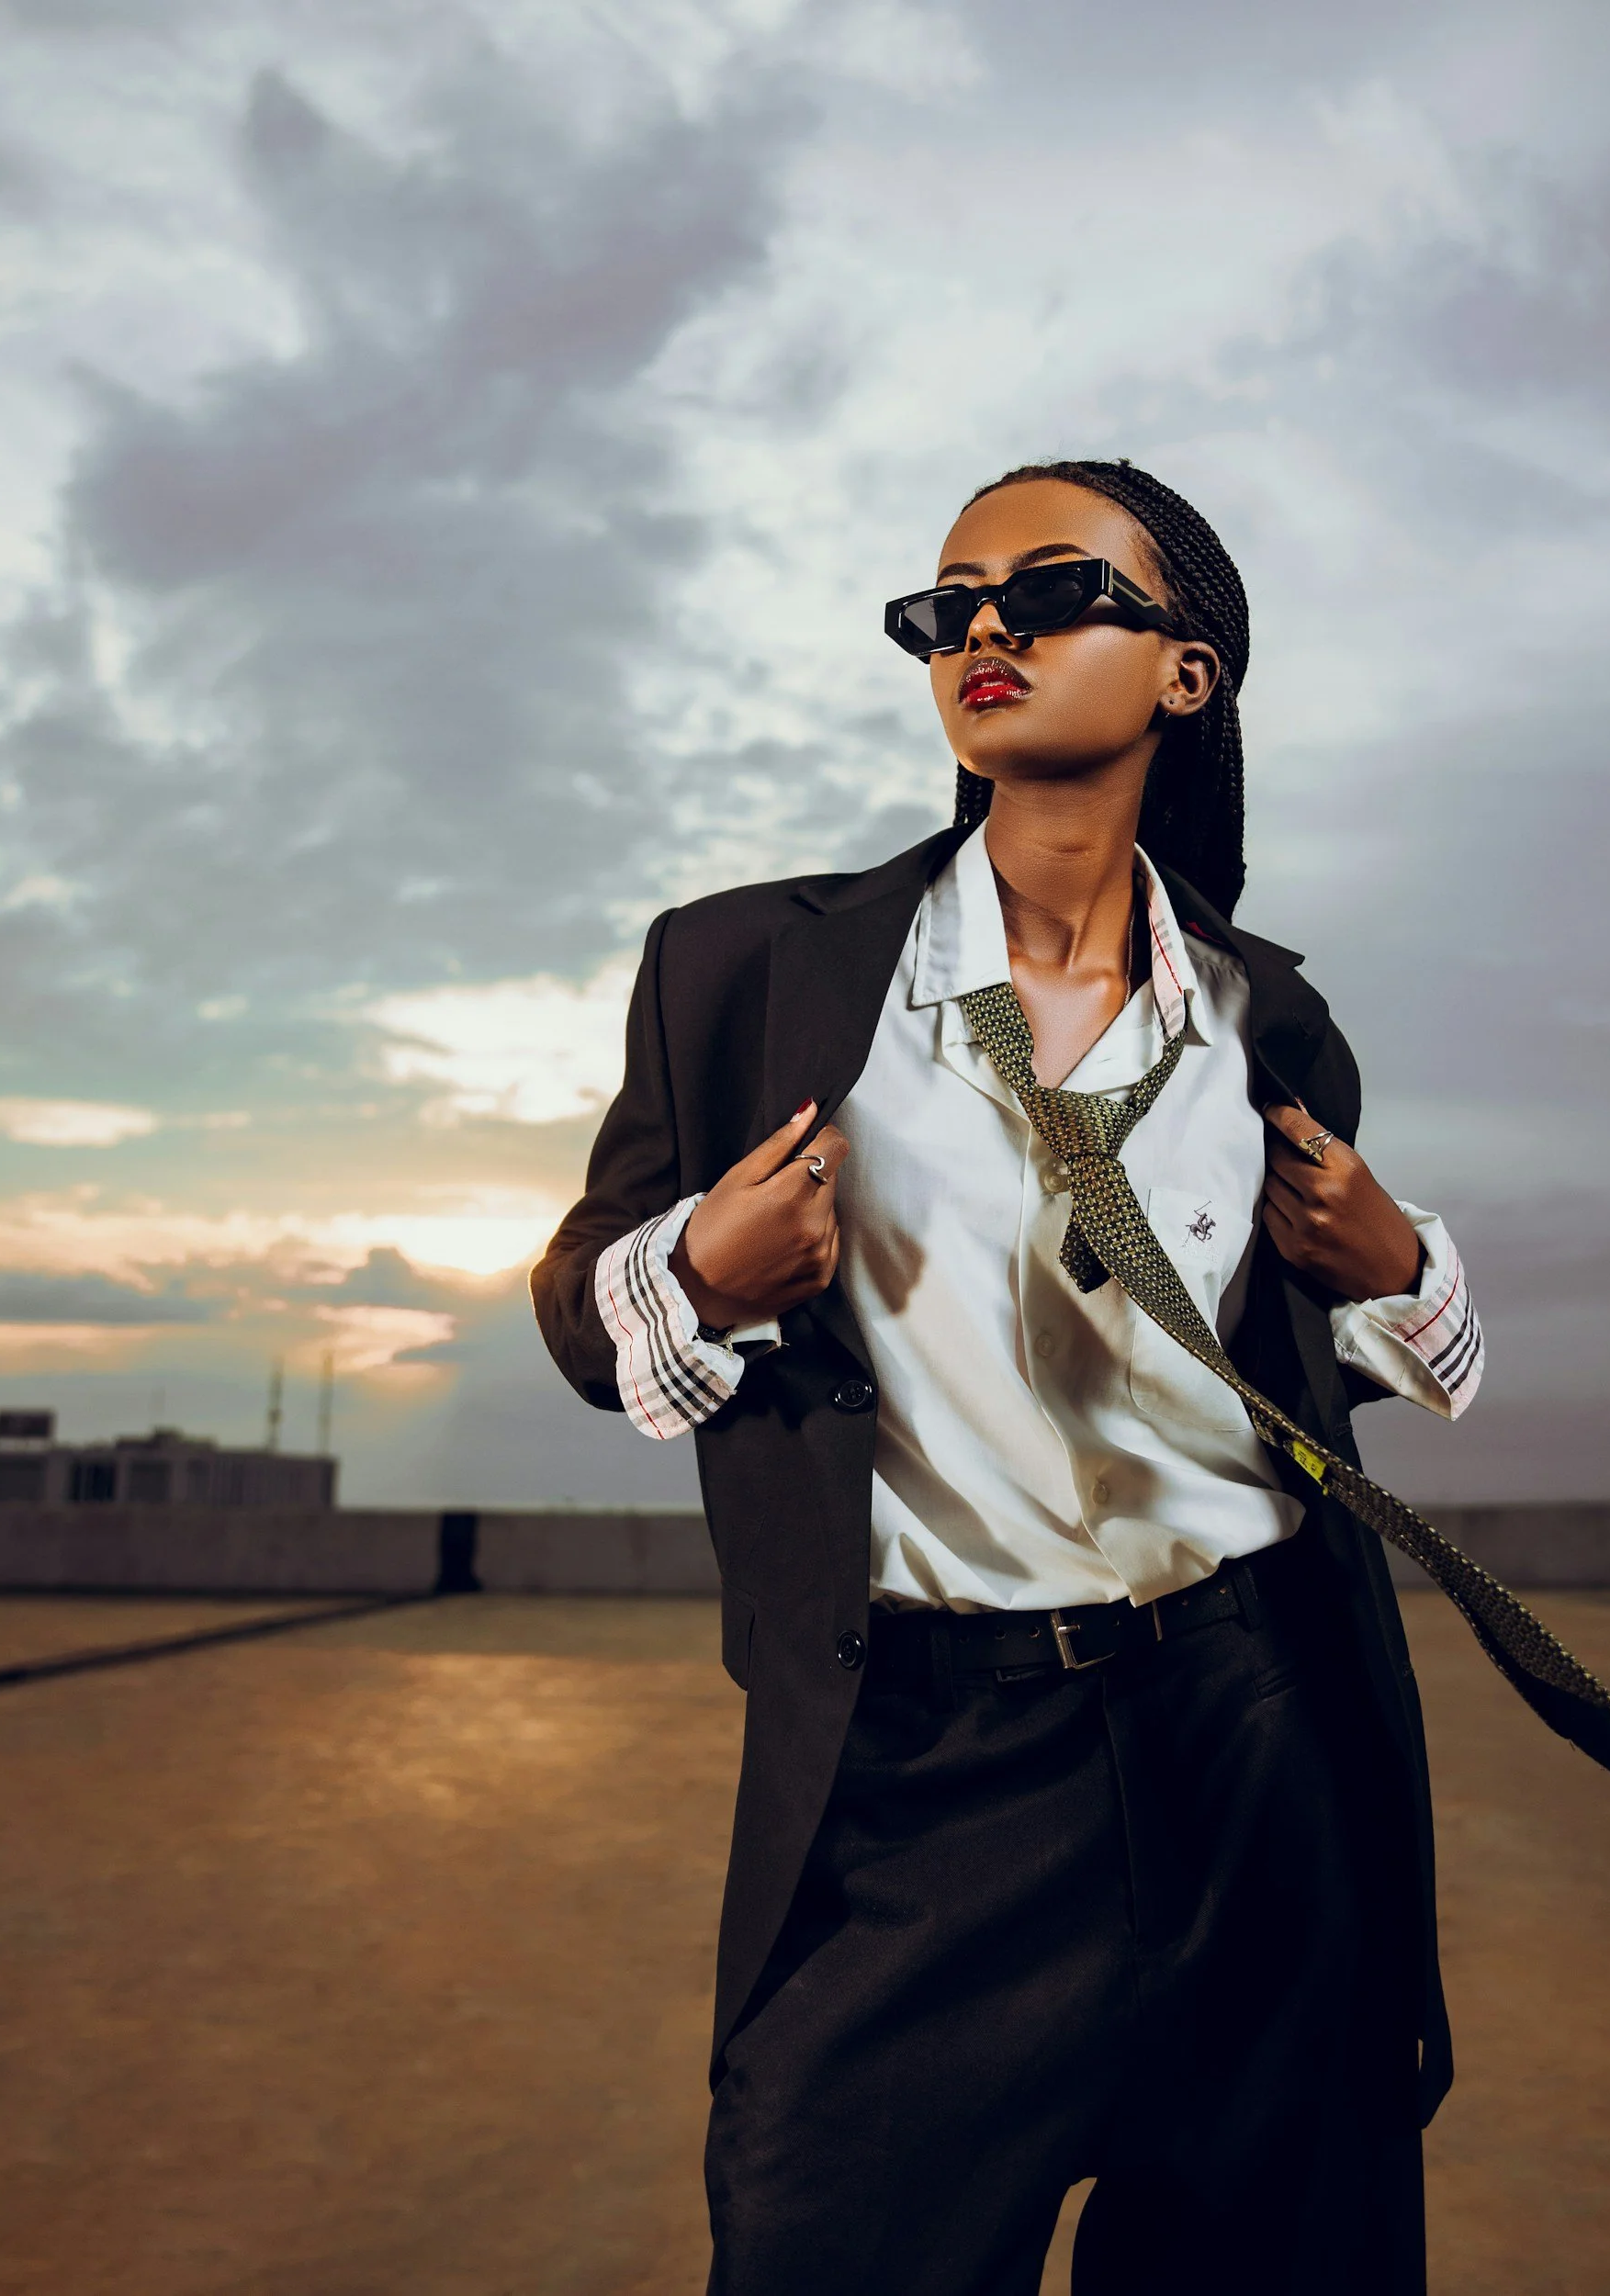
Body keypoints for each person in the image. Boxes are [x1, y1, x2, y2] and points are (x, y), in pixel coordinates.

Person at [533, 458, 1491, 2293]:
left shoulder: (1268, 1017)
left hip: (1256, 1728)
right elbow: (589, 1306)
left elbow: (1294, 1373)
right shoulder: (750, 967)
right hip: (922, 1764)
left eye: (1052, 591)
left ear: (1186, 672)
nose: (984, 628)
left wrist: (1402, 1263)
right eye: (945, 603)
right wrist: (701, 1271)